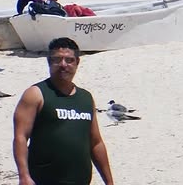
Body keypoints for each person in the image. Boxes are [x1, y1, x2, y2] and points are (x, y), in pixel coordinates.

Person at [12, 37, 114, 185]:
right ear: (49, 62)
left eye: (69, 60)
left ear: (77, 62)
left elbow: (96, 143)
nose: (63, 65)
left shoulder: (85, 98)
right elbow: (20, 137)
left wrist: (109, 182)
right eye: (57, 60)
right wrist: (24, 176)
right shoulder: (35, 94)